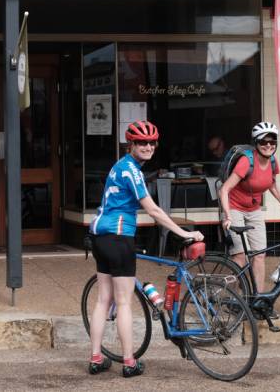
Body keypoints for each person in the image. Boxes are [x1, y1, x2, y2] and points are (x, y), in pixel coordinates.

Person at [87, 120, 204, 378]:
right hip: (119, 238)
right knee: (123, 303)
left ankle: (96, 358)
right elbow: (152, 210)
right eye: (142, 142)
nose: (148, 146)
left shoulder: (119, 166)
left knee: (103, 300)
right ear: (131, 144)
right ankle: (129, 362)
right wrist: (184, 232)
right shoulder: (132, 171)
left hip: (99, 236)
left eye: (152, 142)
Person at [218, 122, 280, 312]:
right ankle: (231, 299)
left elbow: (272, 184)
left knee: (259, 255)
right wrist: (227, 216)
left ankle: (257, 300)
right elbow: (225, 189)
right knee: (240, 256)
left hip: (254, 210)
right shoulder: (247, 160)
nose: (268, 145)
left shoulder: (273, 161)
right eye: (263, 141)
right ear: (256, 143)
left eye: (272, 141)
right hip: (234, 208)